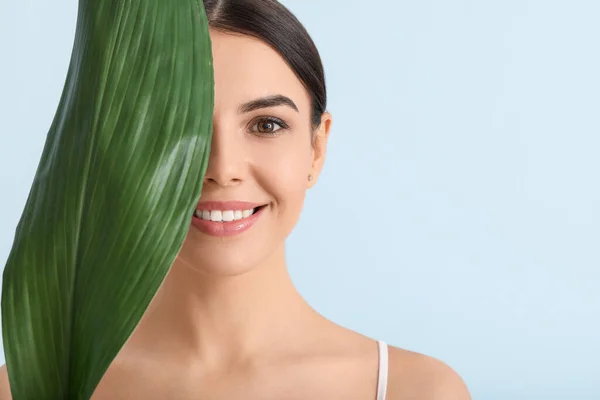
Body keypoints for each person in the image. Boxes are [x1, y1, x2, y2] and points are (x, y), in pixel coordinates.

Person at [1, 0, 471, 398]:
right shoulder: (31, 387)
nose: (222, 169)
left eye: (266, 125)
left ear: (317, 148)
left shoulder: (415, 390)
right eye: (178, 128)